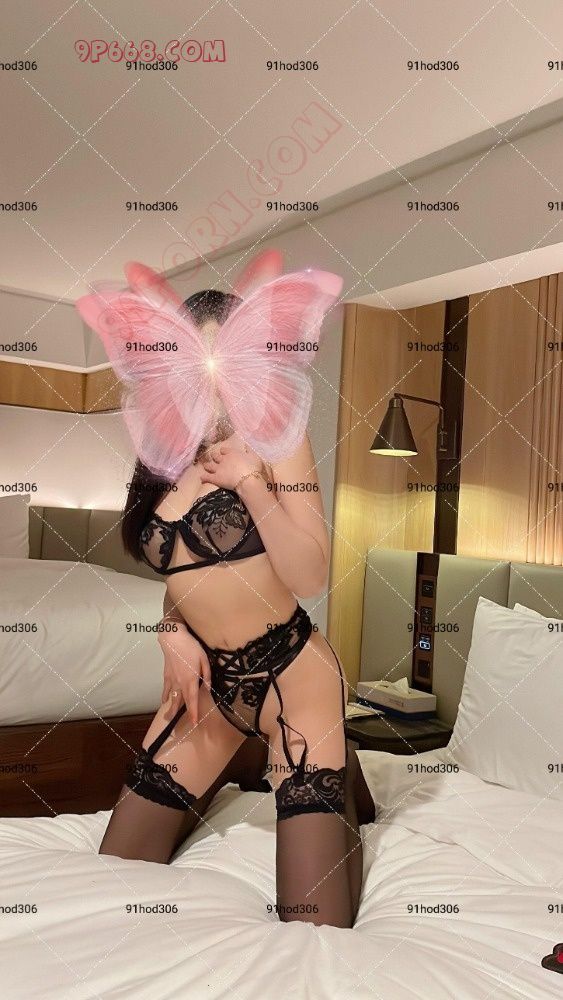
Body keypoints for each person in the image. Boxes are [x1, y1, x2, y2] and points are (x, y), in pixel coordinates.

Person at [96, 287, 366, 928]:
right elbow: (183, 572)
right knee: (115, 869)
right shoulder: (165, 456)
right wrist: (171, 629)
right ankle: (323, 770)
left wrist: (249, 483)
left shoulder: (277, 440)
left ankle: (342, 780)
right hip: (209, 691)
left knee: (313, 923)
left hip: (292, 678)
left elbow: (310, 574)